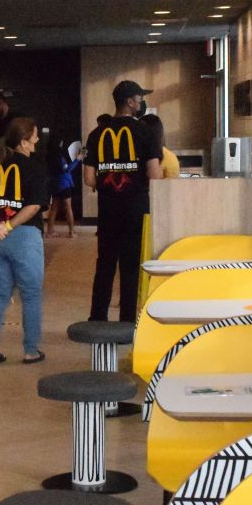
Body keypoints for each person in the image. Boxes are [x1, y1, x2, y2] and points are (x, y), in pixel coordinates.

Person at [84, 80, 164, 323]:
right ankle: (127, 321)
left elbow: (88, 178)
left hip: (108, 209)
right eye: (139, 98)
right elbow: (154, 175)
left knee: (105, 262)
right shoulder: (146, 132)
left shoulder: (97, 134)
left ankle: (97, 317)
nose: (141, 103)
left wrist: (107, 180)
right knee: (130, 265)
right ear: (130, 101)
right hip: (136, 208)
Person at [0, 115, 48, 365]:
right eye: (35, 135)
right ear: (25, 142)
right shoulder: (35, 168)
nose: (38, 139)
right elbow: (34, 206)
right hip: (24, 237)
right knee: (30, 293)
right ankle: (30, 350)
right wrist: (8, 225)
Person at [48, 139, 79, 237]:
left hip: (55, 184)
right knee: (68, 207)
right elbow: (67, 169)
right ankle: (71, 232)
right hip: (64, 184)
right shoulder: (59, 157)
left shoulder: (50, 157)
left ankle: (50, 231)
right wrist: (78, 159)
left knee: (54, 208)